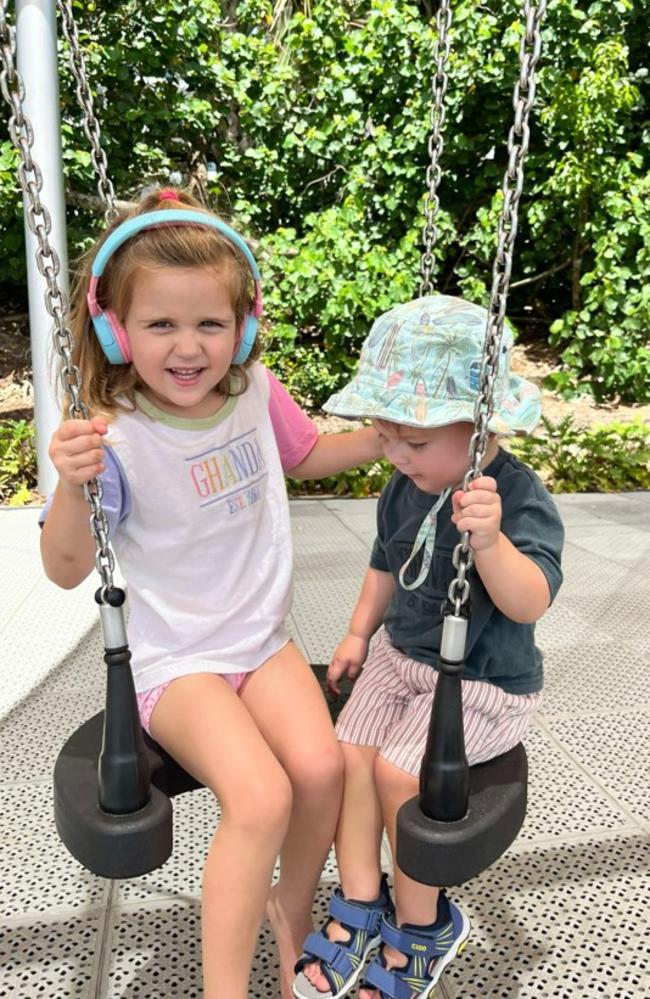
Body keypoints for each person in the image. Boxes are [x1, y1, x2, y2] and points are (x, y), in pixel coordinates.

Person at [39, 188, 385, 999]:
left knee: (322, 768)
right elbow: (63, 566)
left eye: (211, 325)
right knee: (260, 796)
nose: (189, 347)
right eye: (161, 324)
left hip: (262, 642)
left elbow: (306, 456)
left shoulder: (255, 392)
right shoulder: (115, 434)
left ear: (246, 326)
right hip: (177, 659)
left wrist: (388, 440)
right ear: (115, 330)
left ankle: (289, 918)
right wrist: (70, 484)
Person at [292, 295, 564, 999]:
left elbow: (530, 599)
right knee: (348, 755)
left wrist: (492, 542)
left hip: (481, 679)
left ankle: (423, 923)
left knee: (396, 773)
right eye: (385, 438)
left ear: (477, 428)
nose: (396, 456)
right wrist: (357, 631)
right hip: (399, 656)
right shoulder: (403, 484)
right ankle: (359, 900)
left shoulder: (518, 498)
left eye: (412, 442)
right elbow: (384, 563)